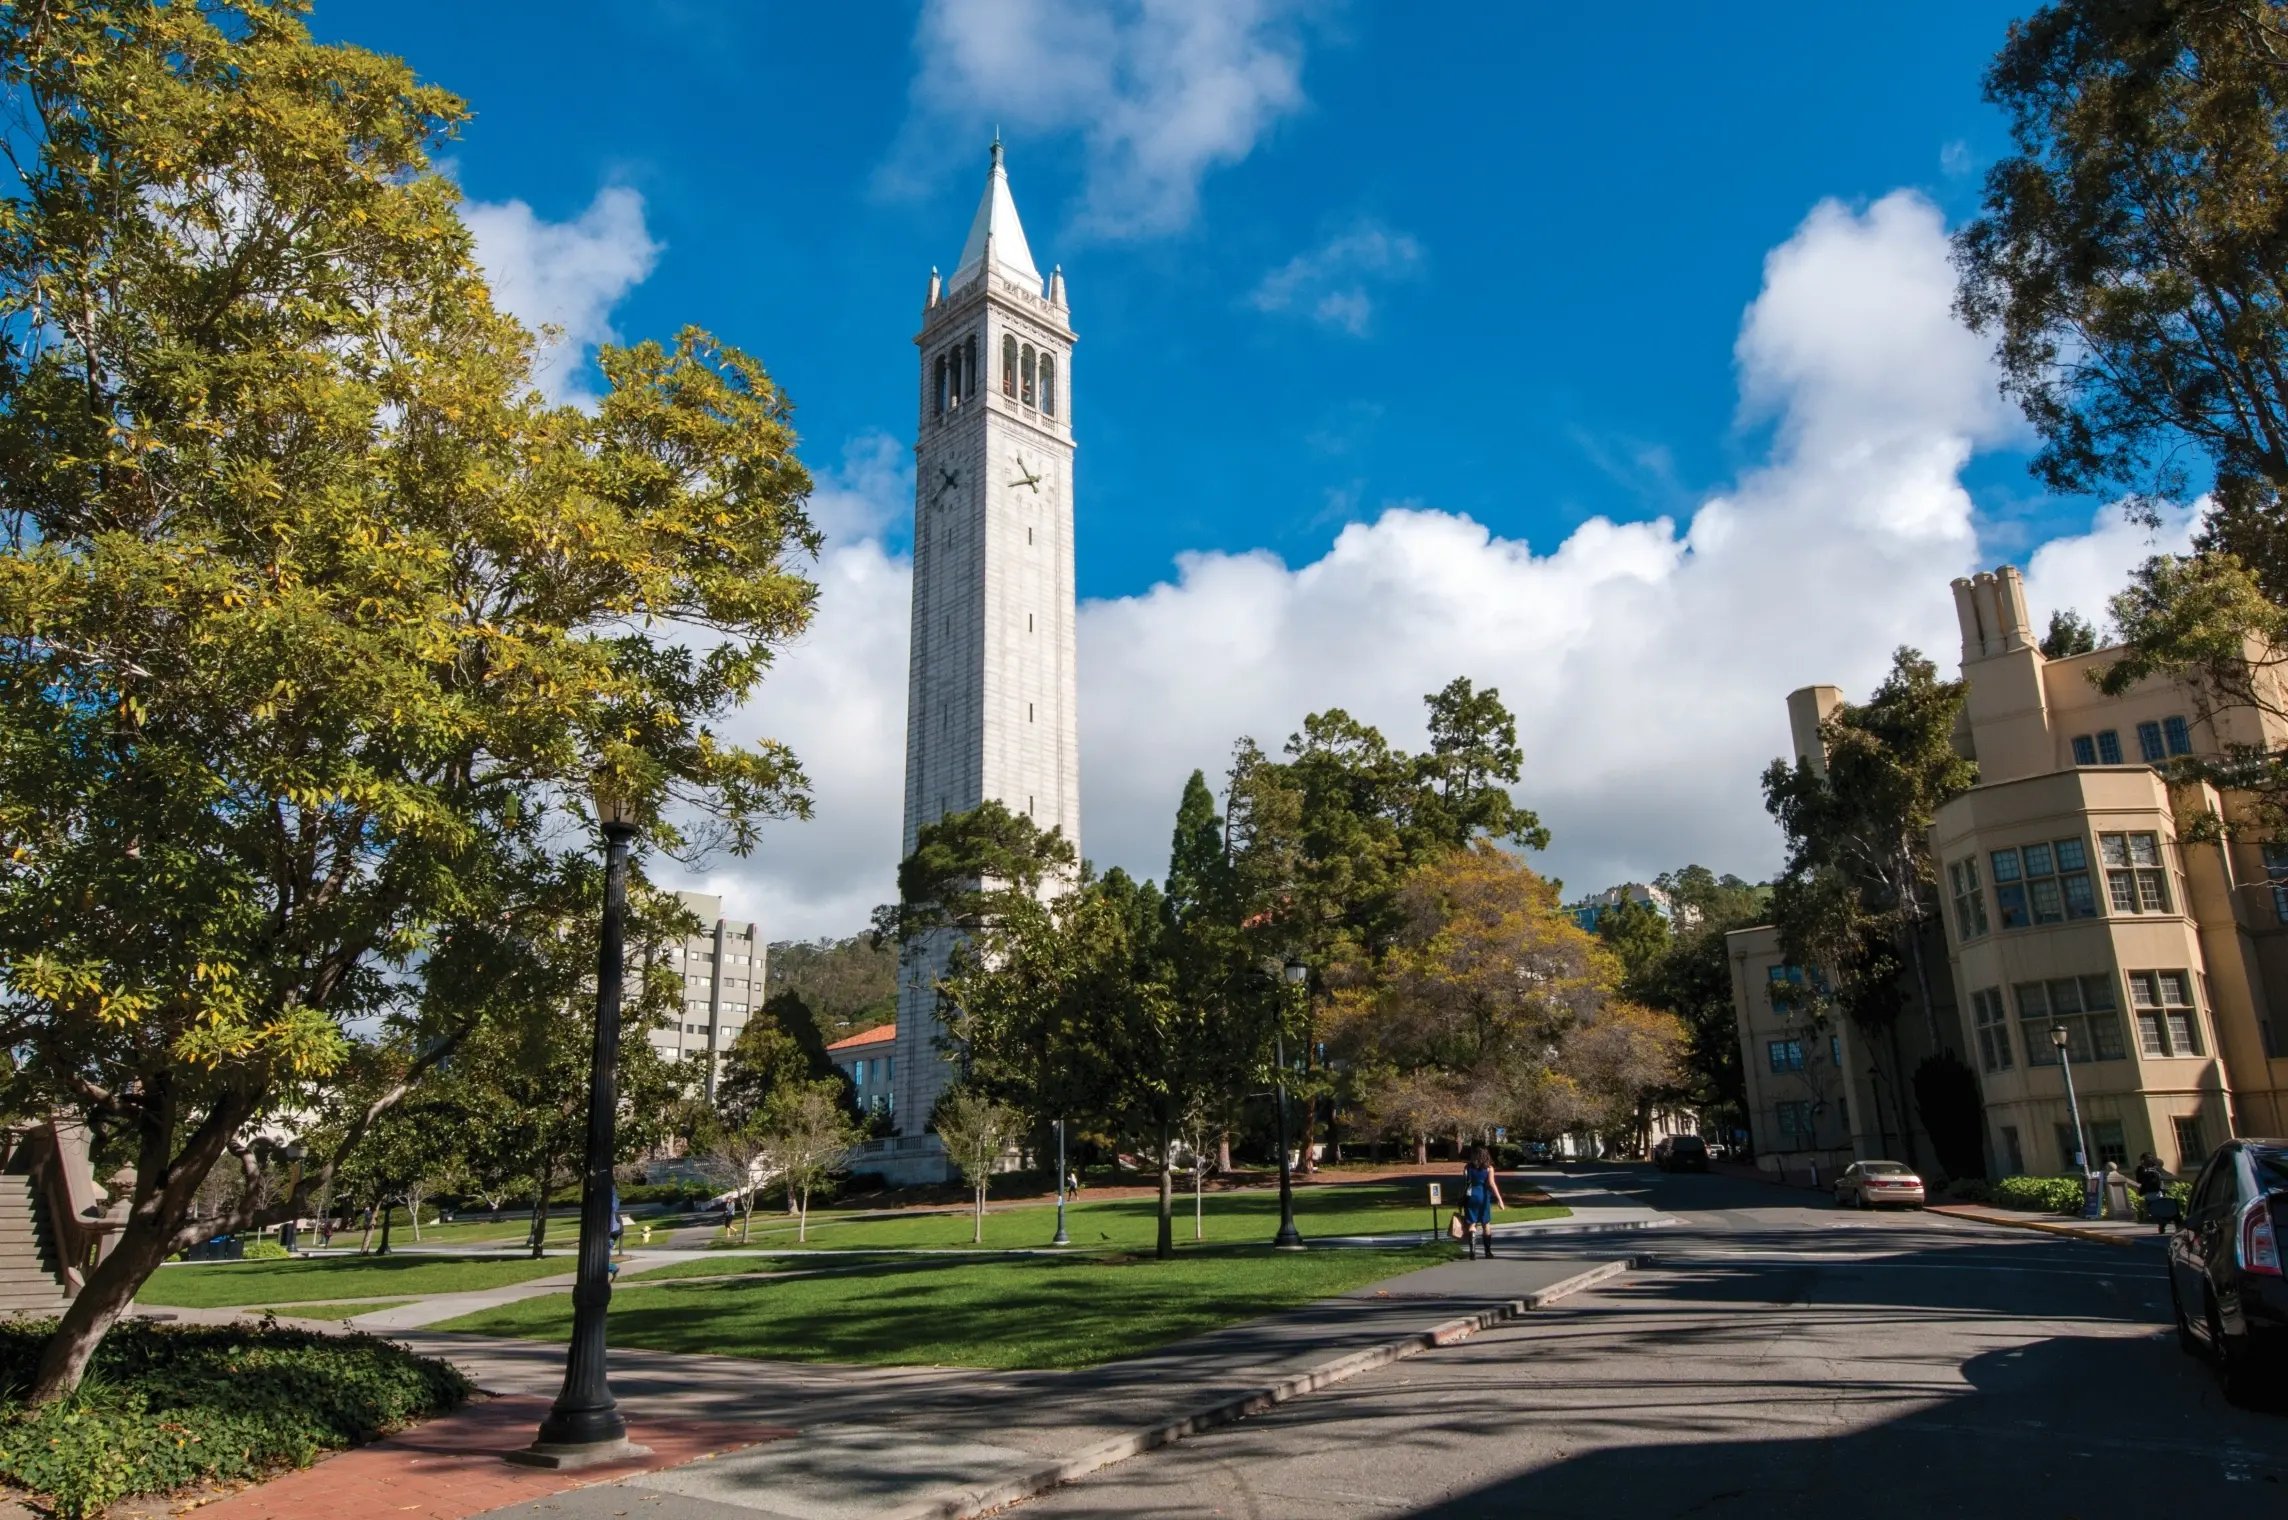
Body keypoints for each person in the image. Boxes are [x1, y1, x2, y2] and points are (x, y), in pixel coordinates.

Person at [1461, 1145, 1505, 1260]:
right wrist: (1499, 1199)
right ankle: (1488, 1251)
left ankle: (1472, 1250)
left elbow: (1465, 1182)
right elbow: (1491, 1183)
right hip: (1483, 1195)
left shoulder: (1467, 1167)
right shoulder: (1489, 1168)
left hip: (1471, 1196)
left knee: (1472, 1223)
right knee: (1486, 1223)